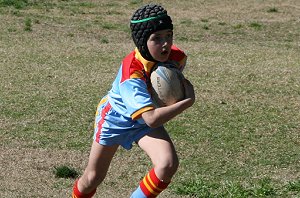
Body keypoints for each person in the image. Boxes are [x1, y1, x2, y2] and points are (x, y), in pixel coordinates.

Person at [72, 3, 195, 198]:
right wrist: (186, 102)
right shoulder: (132, 73)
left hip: (142, 121)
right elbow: (152, 119)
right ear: (141, 41)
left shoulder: (176, 58)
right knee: (92, 178)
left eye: (169, 35)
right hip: (114, 120)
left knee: (167, 164)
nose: (165, 43)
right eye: (156, 38)